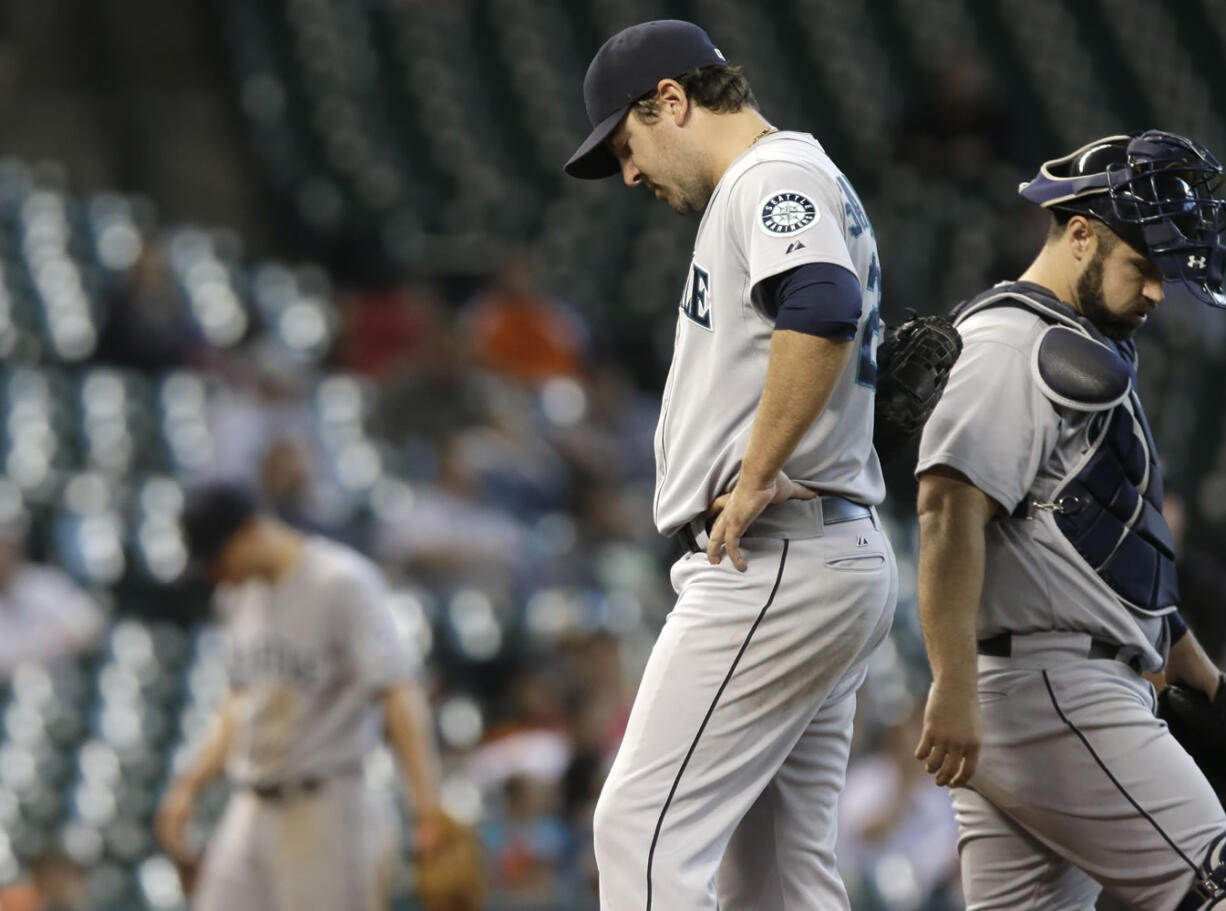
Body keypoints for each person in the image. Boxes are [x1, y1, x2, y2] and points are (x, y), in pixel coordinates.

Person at [564, 20, 897, 909]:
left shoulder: (769, 174)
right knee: (781, 877)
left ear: (670, 100)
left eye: (626, 146)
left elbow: (821, 303)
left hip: (778, 555)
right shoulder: (792, 177)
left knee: (637, 834)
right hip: (828, 548)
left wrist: (753, 476)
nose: (629, 173)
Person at [913, 130, 1226, 908]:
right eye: (1143, 268)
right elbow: (948, 509)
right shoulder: (1011, 340)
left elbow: (1087, 535)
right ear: (1080, 232)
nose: (1158, 293)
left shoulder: (1074, 344)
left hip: (1052, 681)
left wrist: (1182, 650)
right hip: (1053, 688)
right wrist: (950, 682)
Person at [155, 482, 449, 911]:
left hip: (327, 804)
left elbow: (398, 692)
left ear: (252, 531)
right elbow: (240, 704)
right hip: (250, 802)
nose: (214, 572)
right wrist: (189, 785)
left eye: (218, 558)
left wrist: (428, 808)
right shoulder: (237, 595)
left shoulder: (342, 581)